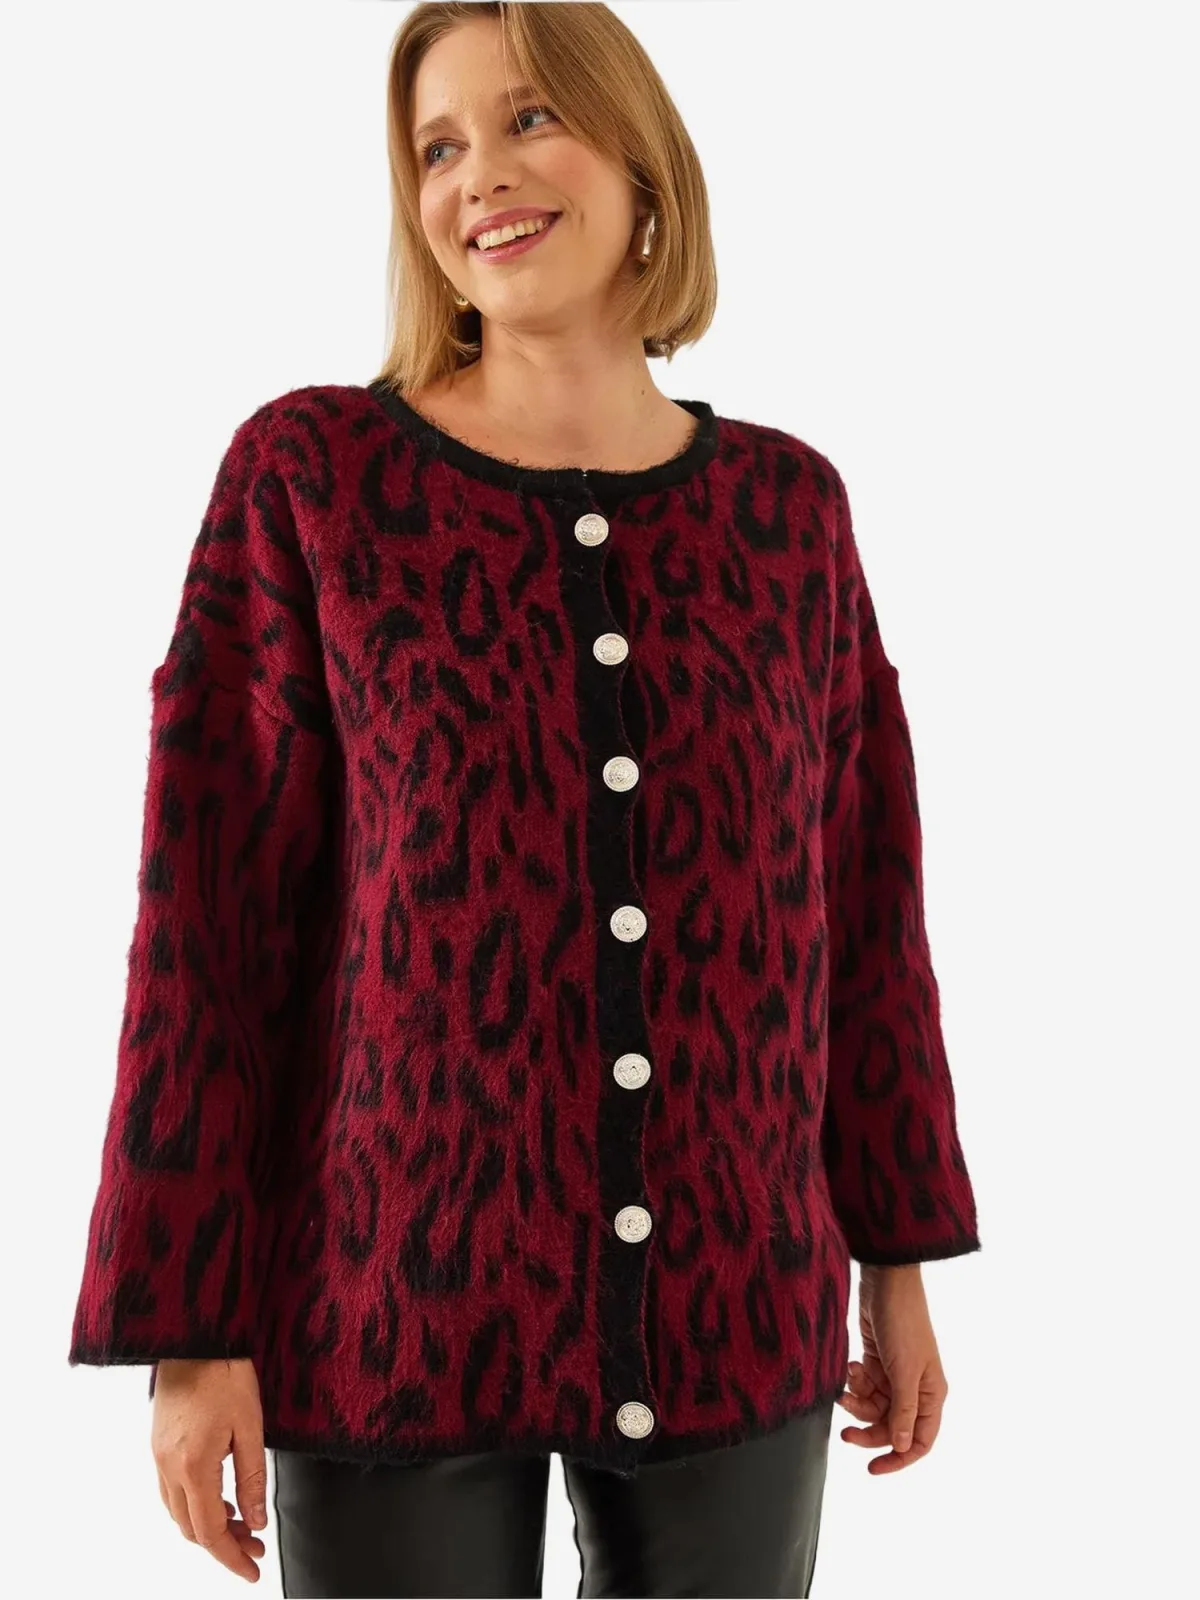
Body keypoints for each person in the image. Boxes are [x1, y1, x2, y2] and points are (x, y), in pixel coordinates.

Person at [67, 4, 982, 1595]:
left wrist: (897, 1255)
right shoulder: (315, 479)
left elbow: (862, 906)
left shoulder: (788, 510)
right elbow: (206, 927)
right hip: (393, 1304)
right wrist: (189, 1331)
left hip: (738, 1290)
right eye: (437, 146)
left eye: (531, 118)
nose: (478, 174)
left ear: (643, 160)